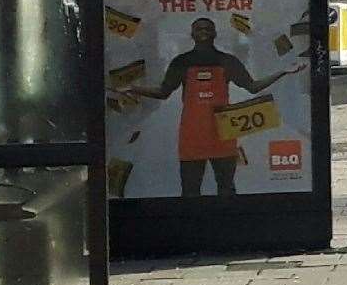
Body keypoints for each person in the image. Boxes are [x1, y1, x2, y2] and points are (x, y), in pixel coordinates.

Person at [122, 17, 305, 198]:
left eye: (208, 28)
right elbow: (163, 92)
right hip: (192, 136)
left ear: (215, 33)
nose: (204, 32)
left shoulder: (228, 61)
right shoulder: (181, 62)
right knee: (190, 190)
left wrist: (283, 72)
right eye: (199, 29)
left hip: (223, 135)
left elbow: (253, 87)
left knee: (226, 188)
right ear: (192, 34)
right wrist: (134, 88)